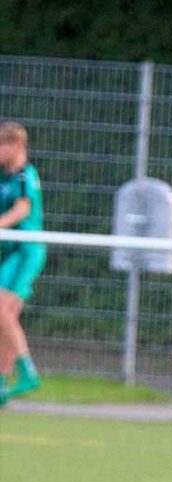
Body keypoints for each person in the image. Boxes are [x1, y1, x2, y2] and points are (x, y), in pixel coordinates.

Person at [0, 121, 45, 406]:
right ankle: (2, 382)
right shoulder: (5, 177)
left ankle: (27, 370)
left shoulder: (25, 176)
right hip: (10, 252)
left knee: (2, 311)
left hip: (27, 252)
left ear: (17, 145)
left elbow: (22, 208)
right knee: (5, 318)